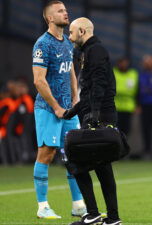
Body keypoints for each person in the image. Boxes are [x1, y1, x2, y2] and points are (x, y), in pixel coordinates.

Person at [31, 1, 85, 219]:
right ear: (50, 18)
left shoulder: (66, 42)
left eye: (65, 9)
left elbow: (70, 69)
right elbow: (38, 80)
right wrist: (56, 107)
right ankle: (42, 206)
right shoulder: (43, 44)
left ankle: (78, 205)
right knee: (47, 153)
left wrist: (76, 97)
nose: (66, 12)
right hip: (48, 108)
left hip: (68, 110)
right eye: (60, 11)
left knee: (75, 154)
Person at [65, 17, 122, 225]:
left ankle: (94, 213)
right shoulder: (87, 52)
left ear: (81, 31)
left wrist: (94, 114)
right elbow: (89, 91)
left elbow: (100, 85)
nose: (69, 37)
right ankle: (111, 217)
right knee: (101, 165)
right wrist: (73, 112)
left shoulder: (95, 51)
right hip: (95, 112)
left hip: (100, 114)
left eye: (71, 32)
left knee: (76, 162)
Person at [113, 57, 138, 136]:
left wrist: (138, 105)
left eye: (125, 63)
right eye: (122, 63)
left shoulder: (133, 74)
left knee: (127, 129)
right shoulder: (113, 73)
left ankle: (124, 144)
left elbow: (138, 90)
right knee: (115, 129)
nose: (123, 65)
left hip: (128, 107)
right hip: (115, 106)